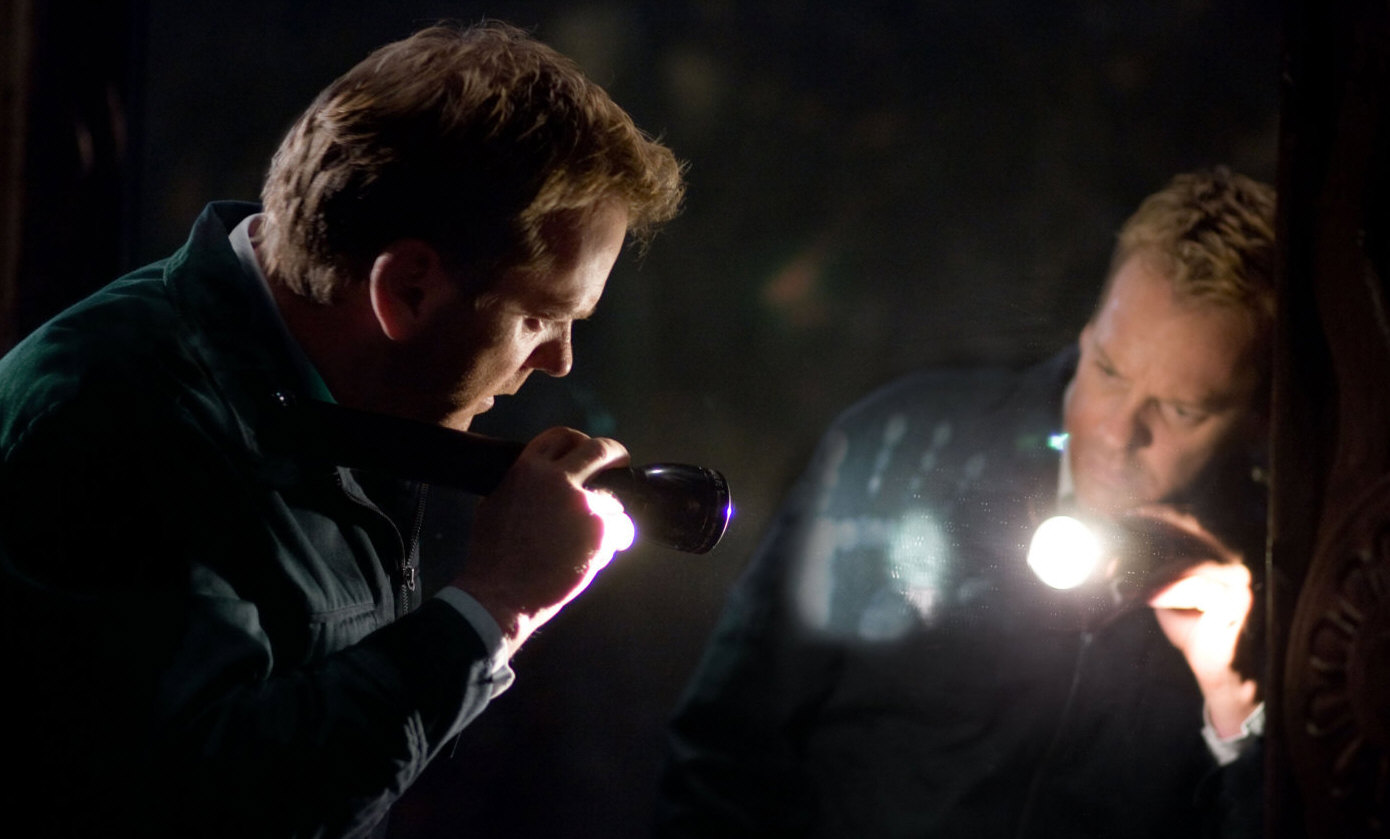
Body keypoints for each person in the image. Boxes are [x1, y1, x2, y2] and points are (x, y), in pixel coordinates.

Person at [0, 21, 683, 838]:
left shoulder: (337, 401)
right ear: (407, 289)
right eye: (540, 316)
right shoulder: (116, 420)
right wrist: (495, 605)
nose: (561, 360)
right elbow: (206, 807)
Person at [657, 168, 1273, 838]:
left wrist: (1237, 709)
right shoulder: (904, 450)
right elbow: (725, 747)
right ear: (1089, 329)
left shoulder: (1275, 575)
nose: (1117, 432)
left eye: (1181, 410)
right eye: (1108, 369)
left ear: (1257, 418)